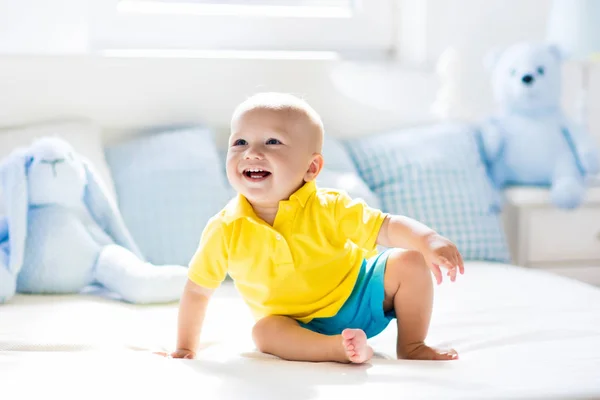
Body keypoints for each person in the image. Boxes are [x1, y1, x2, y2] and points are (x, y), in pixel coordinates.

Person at [165, 92, 464, 364]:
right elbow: (197, 290)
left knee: (409, 262)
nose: (251, 152)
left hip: (358, 295)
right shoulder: (225, 228)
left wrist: (428, 240)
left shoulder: (329, 206)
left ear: (312, 168)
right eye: (240, 142)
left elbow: (385, 227)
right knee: (264, 332)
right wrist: (184, 347)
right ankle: (336, 349)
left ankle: (412, 344)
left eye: (272, 142)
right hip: (294, 324)